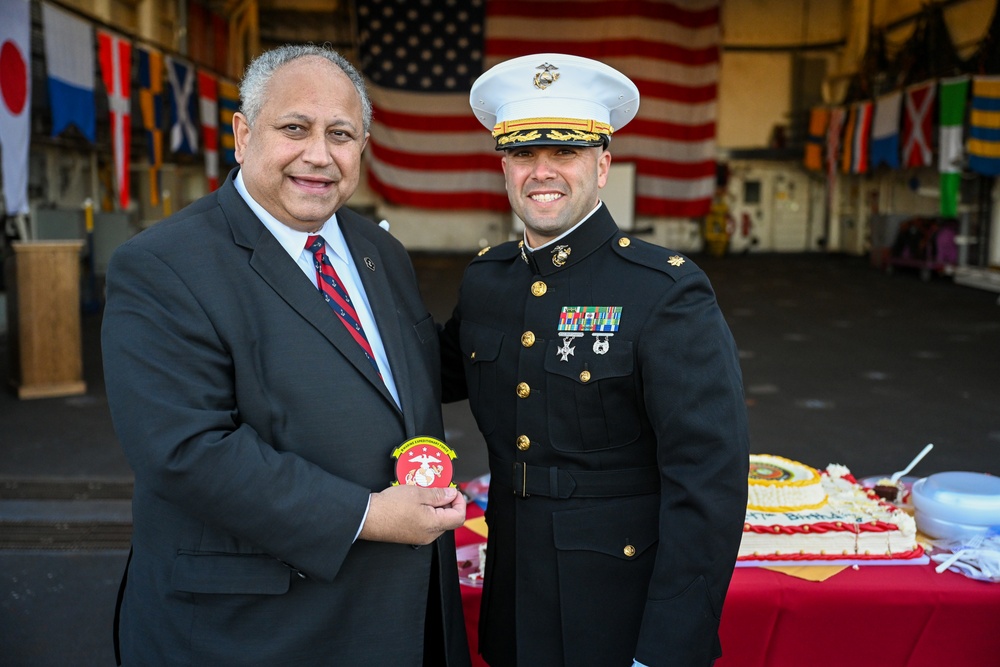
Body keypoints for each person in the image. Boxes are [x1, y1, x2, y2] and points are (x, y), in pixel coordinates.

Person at [102, 44, 470, 666]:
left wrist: (529, 287)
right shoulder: (162, 265)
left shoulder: (380, 252)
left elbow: (409, 373)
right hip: (255, 630)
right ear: (243, 135)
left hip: (397, 616)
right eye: (294, 128)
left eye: (341, 134)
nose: (319, 155)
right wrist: (368, 515)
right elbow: (186, 451)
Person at [441, 53, 750, 667]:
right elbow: (412, 371)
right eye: (523, 154)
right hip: (512, 596)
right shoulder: (488, 281)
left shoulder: (663, 290)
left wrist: (666, 651)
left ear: (602, 165)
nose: (541, 171)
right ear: (504, 167)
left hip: (617, 614)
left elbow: (708, 483)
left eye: (566, 153)